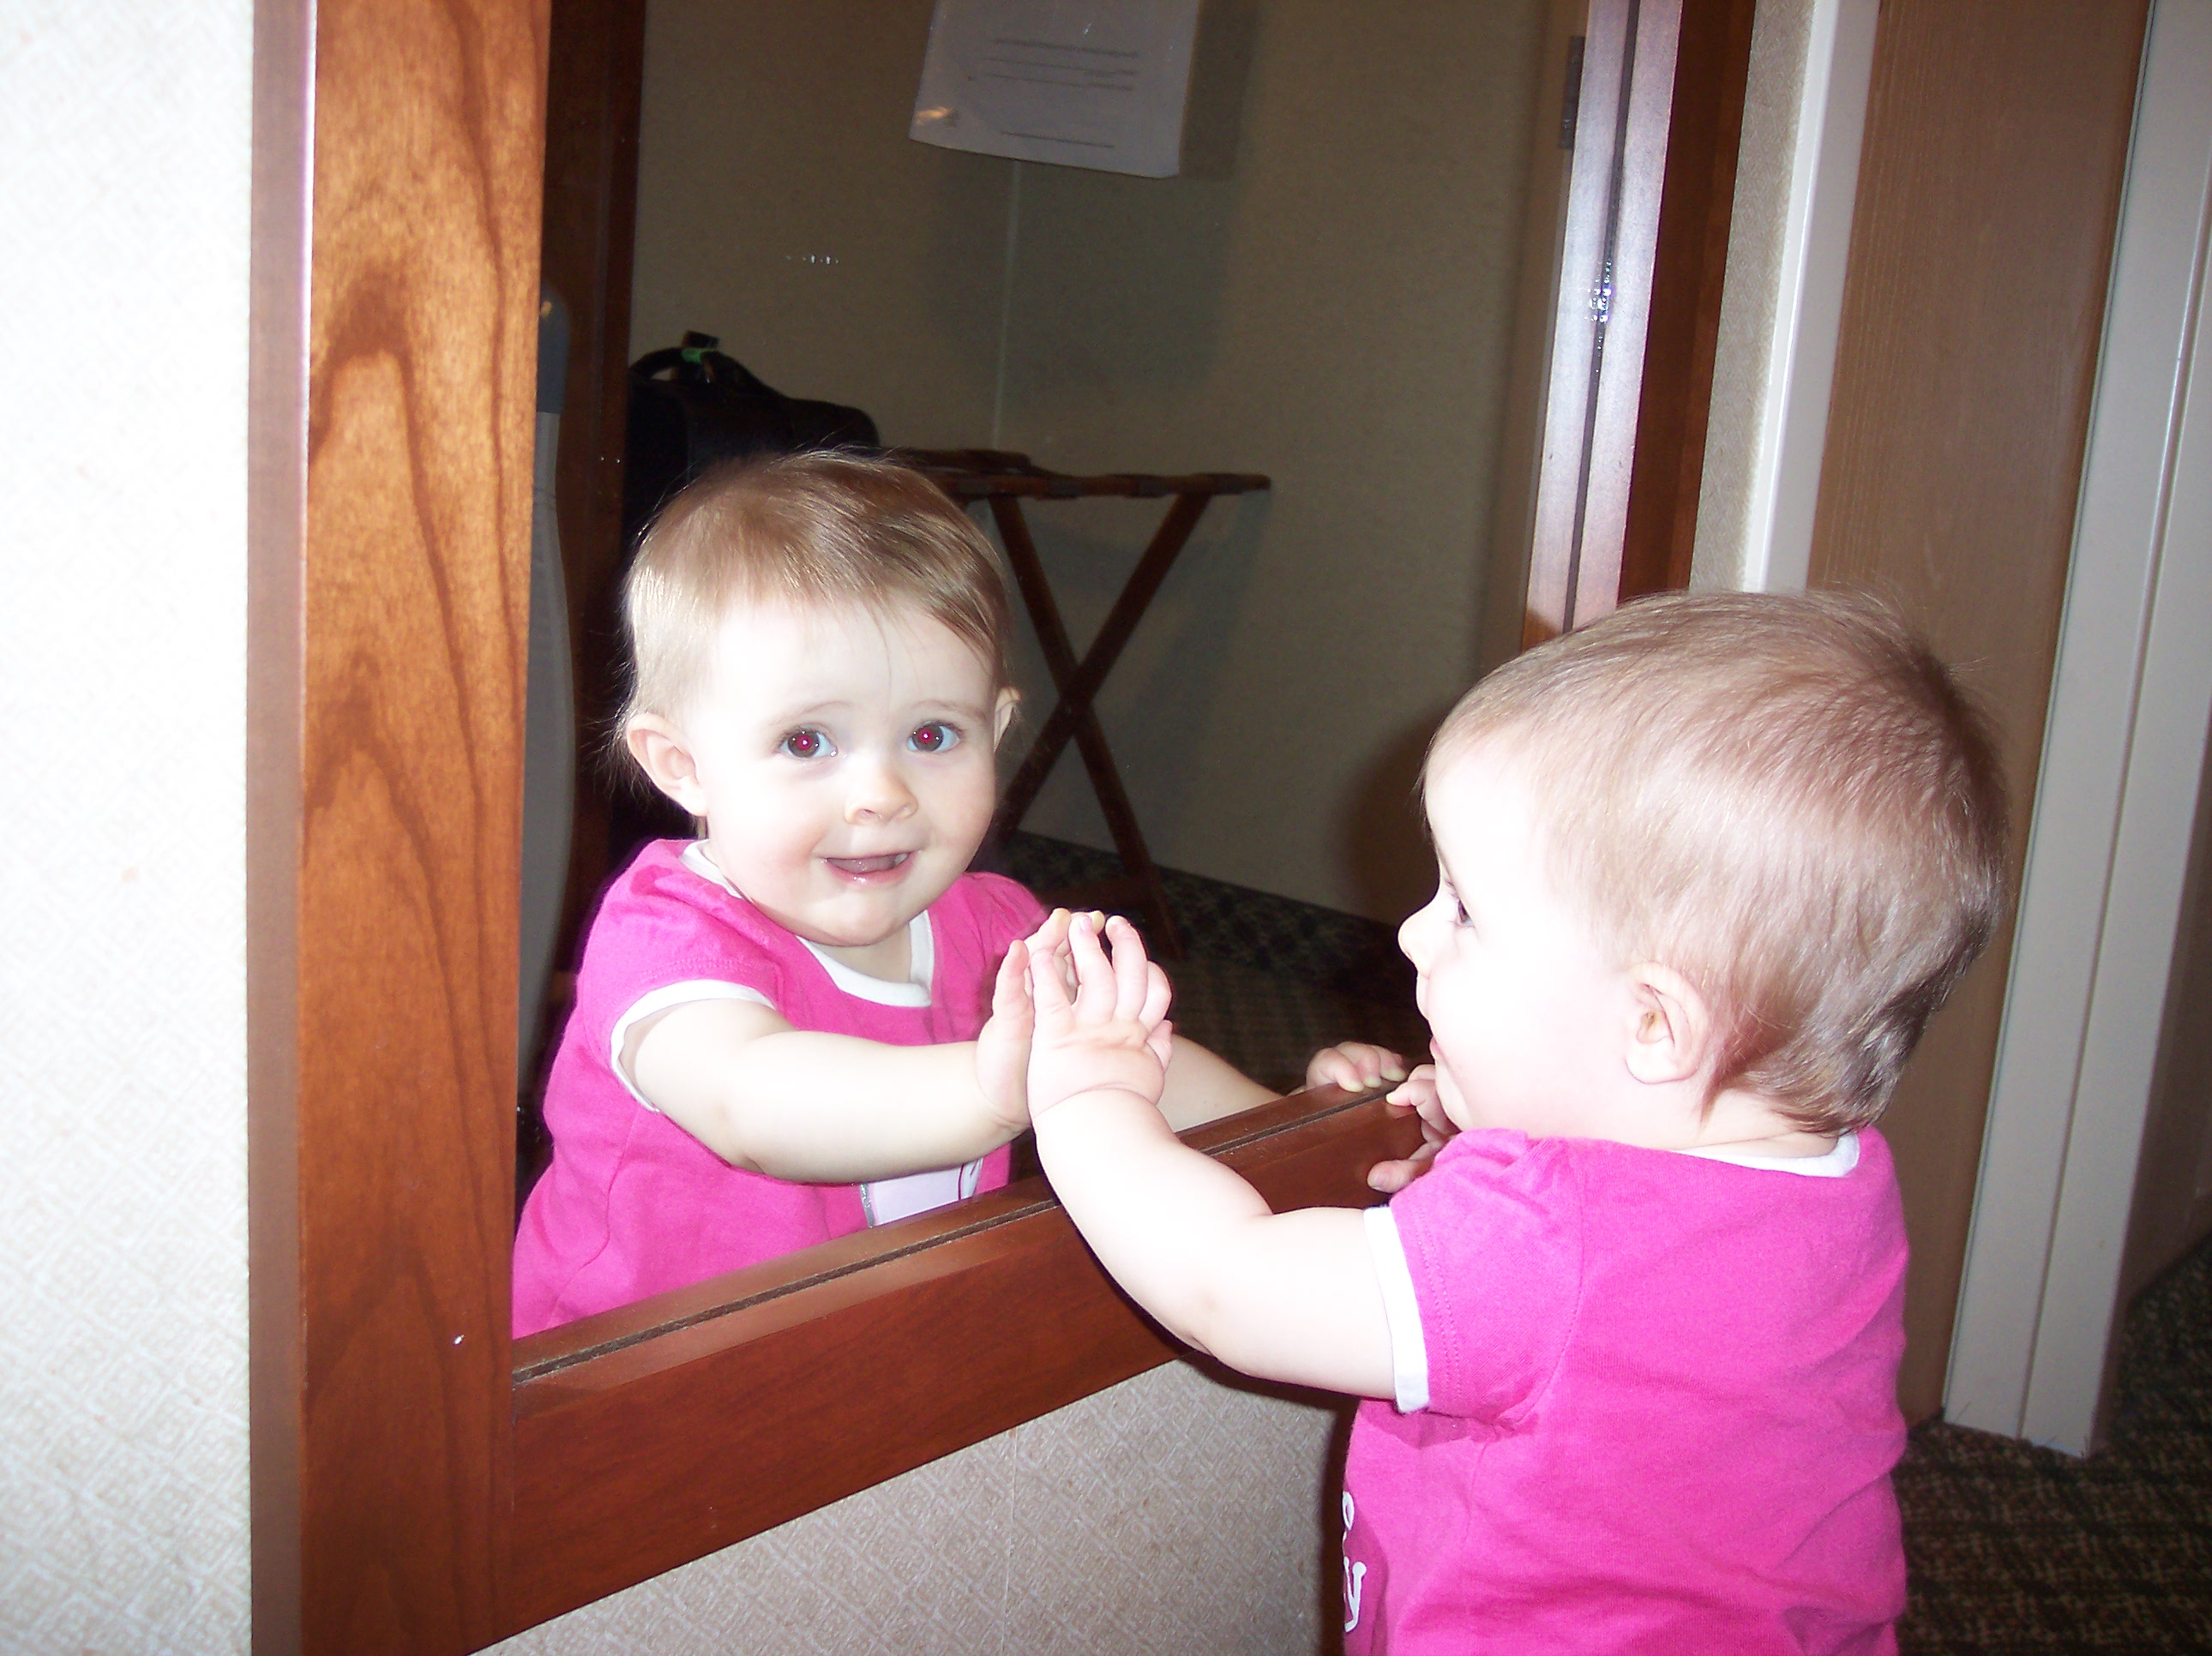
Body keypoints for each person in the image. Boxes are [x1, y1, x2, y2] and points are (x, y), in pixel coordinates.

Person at [1015, 591, 2009, 1653]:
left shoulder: (1541, 1241)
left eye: (1465, 911)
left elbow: (1227, 1288)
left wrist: (1087, 1099)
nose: (1411, 933)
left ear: (1654, 1025)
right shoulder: (1840, 1176)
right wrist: (1485, 1143)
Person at [513, 451, 1402, 1337]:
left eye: (932, 735)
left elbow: (1126, 1064)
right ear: (682, 765)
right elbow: (750, 1101)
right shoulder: (668, 934)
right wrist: (997, 1088)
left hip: (871, 1342)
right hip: (627, 1369)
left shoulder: (999, 928)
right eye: (806, 742)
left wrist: (1297, 1127)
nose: (880, 795)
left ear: (996, 731)